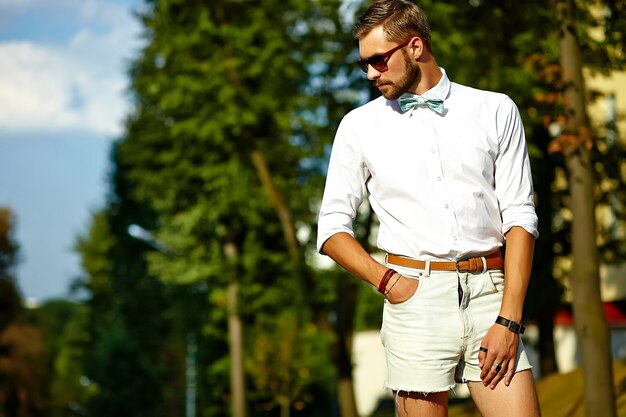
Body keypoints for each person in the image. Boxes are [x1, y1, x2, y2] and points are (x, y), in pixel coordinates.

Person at [316, 1, 542, 416]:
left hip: (490, 294)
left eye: (379, 61)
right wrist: (389, 283)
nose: (370, 74)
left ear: (415, 46)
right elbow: (331, 229)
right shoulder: (359, 126)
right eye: (364, 64)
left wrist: (509, 319)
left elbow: (520, 218)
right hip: (414, 299)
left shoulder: (494, 110)